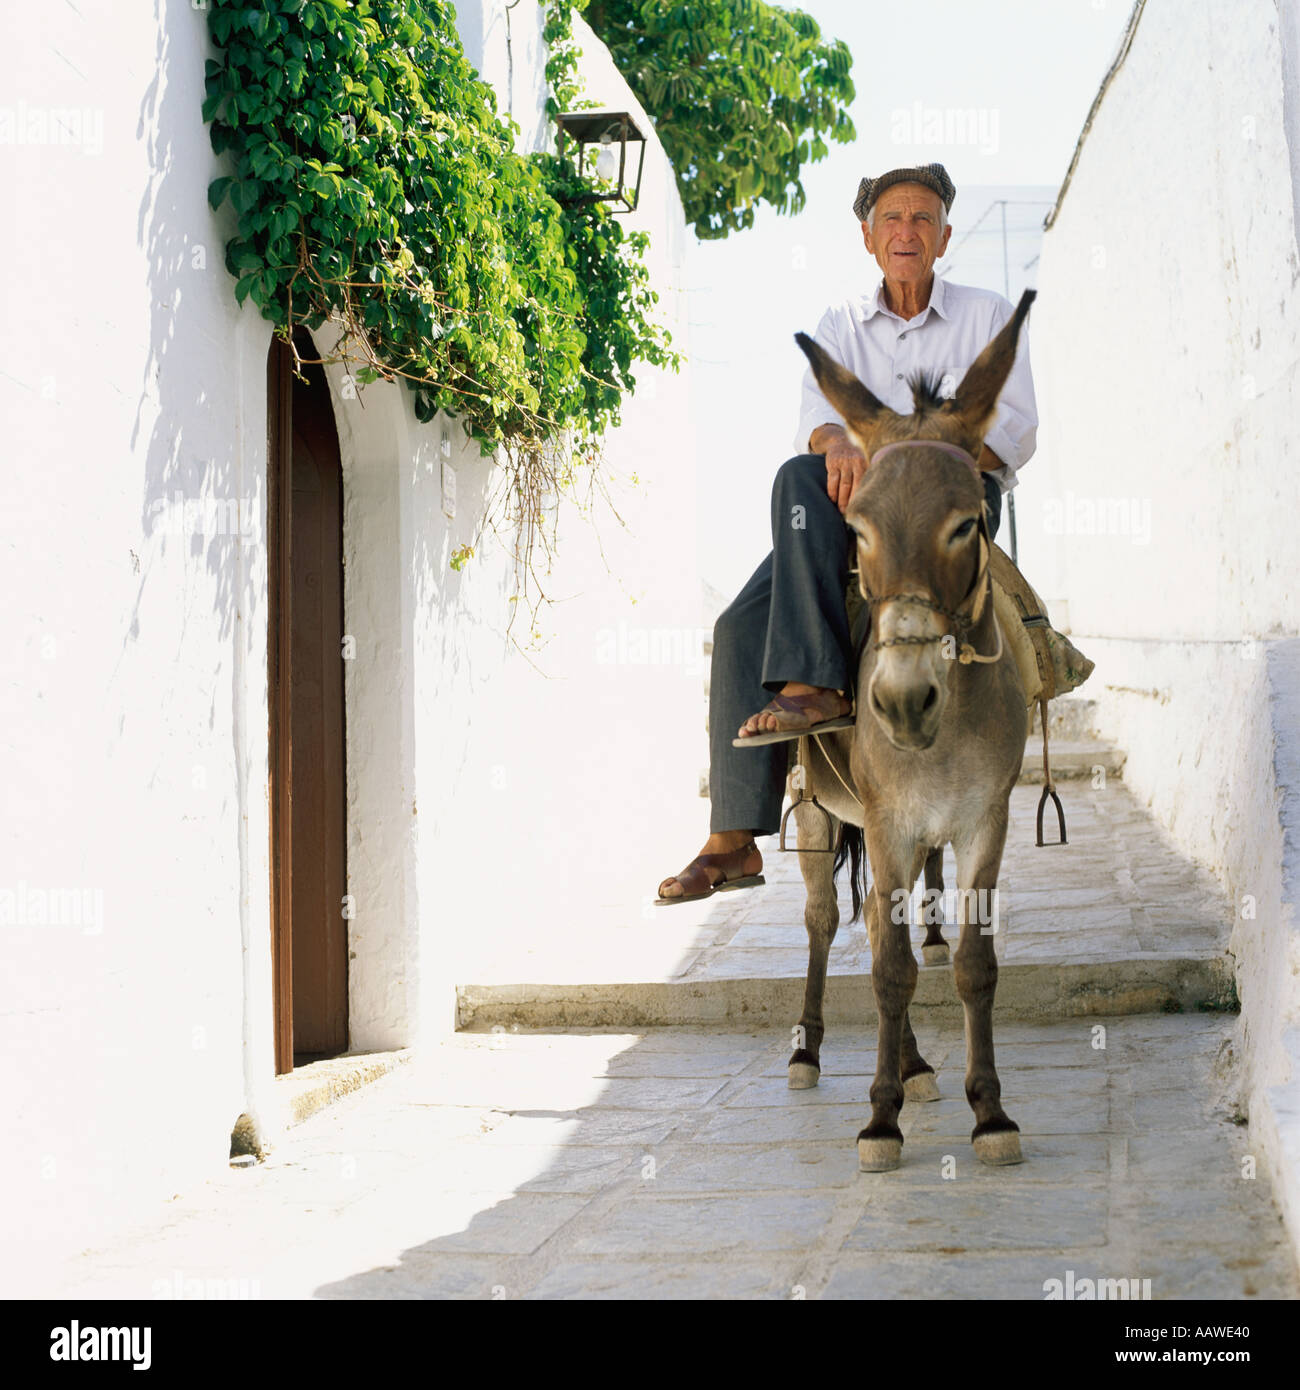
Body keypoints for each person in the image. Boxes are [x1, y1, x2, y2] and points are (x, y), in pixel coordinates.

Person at [657, 163, 1038, 903]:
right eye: (892, 220)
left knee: (818, 489)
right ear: (868, 238)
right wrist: (836, 444)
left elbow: (1015, 431)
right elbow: (817, 422)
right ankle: (733, 840)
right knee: (742, 614)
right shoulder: (840, 325)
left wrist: (914, 464)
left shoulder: (985, 315)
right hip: (863, 506)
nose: (907, 232)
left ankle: (816, 685)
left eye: (923, 219)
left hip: (948, 502)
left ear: (945, 236)